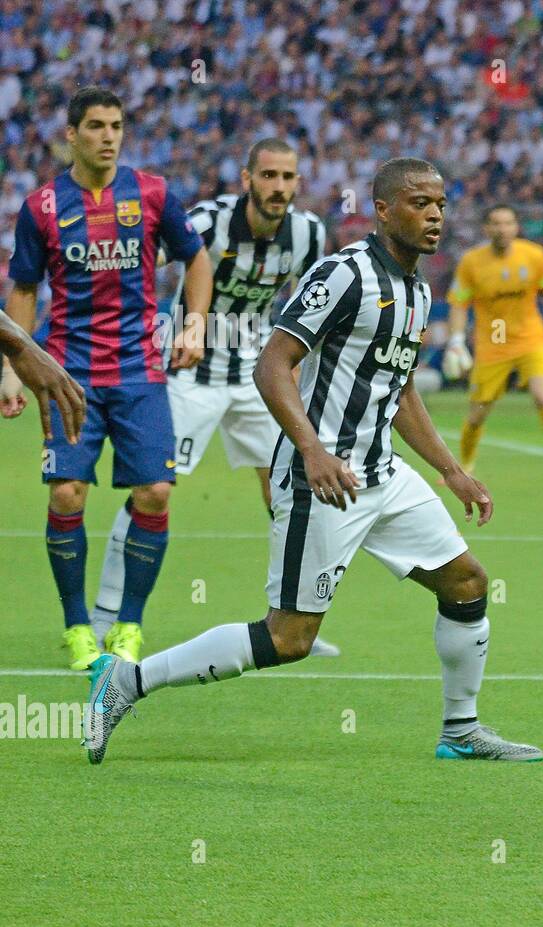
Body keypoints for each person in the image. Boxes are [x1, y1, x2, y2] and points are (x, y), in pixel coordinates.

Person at [83, 158, 543, 766]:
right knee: (289, 637)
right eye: (419, 204)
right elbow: (272, 364)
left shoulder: (418, 289)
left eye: (440, 205)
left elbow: (399, 389)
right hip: (321, 480)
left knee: (467, 582)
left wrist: (450, 470)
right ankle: (126, 680)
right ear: (383, 210)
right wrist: (312, 450)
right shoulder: (344, 273)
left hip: (383, 474)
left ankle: (461, 730)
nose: (435, 216)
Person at [89, 137, 340, 657]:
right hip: (190, 374)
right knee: (153, 490)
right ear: (246, 180)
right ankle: (105, 616)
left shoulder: (309, 233)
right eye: (268, 176)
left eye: (287, 177)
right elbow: (141, 264)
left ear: (298, 182)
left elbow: (312, 303)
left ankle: (291, 622)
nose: (278, 187)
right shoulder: (208, 221)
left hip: (257, 377)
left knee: (289, 492)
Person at [2, 86, 212, 670]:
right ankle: (76, 627)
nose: (109, 136)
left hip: (139, 370)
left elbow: (195, 257)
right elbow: (24, 289)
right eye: (96, 126)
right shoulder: (43, 206)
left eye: (116, 126)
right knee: (67, 492)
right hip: (68, 373)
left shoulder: (152, 193)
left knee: (156, 492)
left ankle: (129, 625)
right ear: (71, 135)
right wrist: (12, 368)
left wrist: (195, 323)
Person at [441, 205, 543, 489]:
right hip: (492, 344)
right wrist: (455, 341)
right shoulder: (471, 262)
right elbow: (459, 303)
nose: (502, 229)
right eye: (495, 223)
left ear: (516, 227)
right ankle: (464, 468)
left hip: (530, 338)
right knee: (478, 413)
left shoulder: (534, 255)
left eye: (508, 223)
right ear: (486, 228)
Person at [0, 307, 86, 443]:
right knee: (61, 453)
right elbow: (24, 294)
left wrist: (18, 354)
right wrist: (12, 366)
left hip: (125, 376)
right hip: (67, 372)